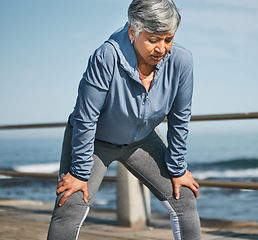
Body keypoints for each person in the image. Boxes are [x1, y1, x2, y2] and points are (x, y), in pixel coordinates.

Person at [47, 0, 202, 239]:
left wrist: (178, 168)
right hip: (94, 139)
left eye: (168, 39)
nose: (161, 49)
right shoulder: (106, 56)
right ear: (133, 31)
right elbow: (86, 117)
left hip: (142, 139)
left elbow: (180, 118)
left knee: (184, 198)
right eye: (153, 40)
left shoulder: (182, 61)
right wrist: (79, 174)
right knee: (70, 203)